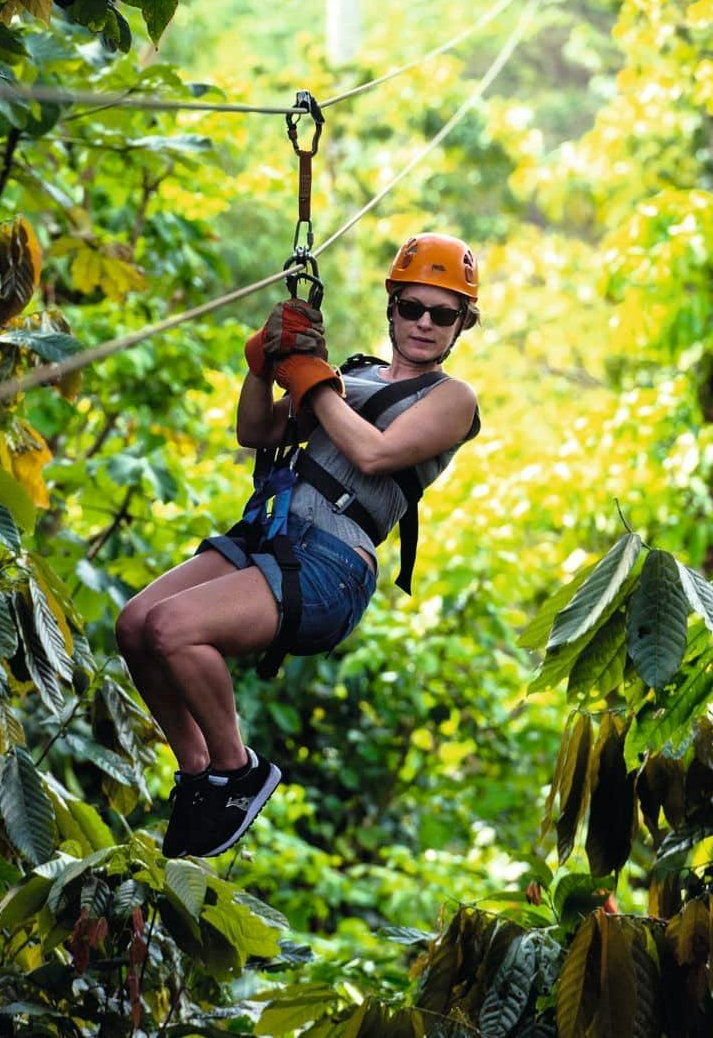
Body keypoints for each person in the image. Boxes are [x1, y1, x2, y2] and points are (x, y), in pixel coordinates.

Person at [113, 234, 484, 858]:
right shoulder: (355, 376)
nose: (424, 323)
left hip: (330, 564)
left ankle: (240, 770)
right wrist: (264, 364)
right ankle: (201, 776)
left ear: (462, 325)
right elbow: (255, 430)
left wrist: (313, 382)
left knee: (174, 629)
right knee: (134, 626)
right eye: (412, 307)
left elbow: (375, 453)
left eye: (442, 314)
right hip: (271, 535)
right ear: (391, 306)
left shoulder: (452, 400)